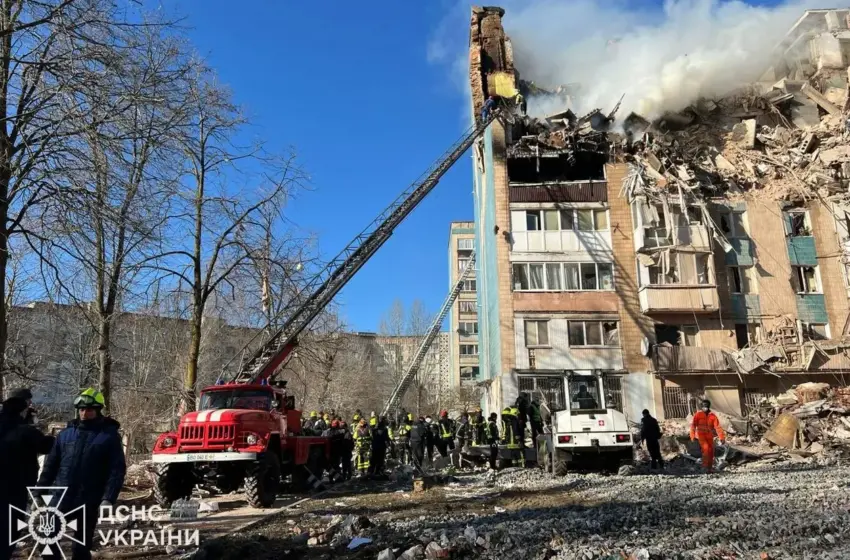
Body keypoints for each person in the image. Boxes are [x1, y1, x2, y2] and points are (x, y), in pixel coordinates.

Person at [38, 388, 125, 560]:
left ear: (98, 410)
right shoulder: (65, 435)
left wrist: (108, 498)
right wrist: (39, 492)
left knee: (81, 547)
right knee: (45, 537)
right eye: (82, 409)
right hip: (60, 496)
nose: (85, 413)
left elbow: (117, 470)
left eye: (90, 409)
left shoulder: (109, 437)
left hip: (89, 498)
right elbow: (50, 466)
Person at [0, 389, 54, 560]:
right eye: (29, 404)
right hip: (15, 487)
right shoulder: (24, 430)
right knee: (9, 530)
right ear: (23, 406)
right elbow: (46, 445)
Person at [690, 399, 725, 473]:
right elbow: (693, 425)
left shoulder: (713, 416)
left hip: (709, 436)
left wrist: (722, 437)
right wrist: (692, 435)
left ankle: (709, 468)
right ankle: (704, 467)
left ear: (708, 407)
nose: (704, 408)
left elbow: (718, 427)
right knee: (706, 449)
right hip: (701, 435)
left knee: (711, 451)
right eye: (702, 406)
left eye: (705, 406)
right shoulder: (698, 415)